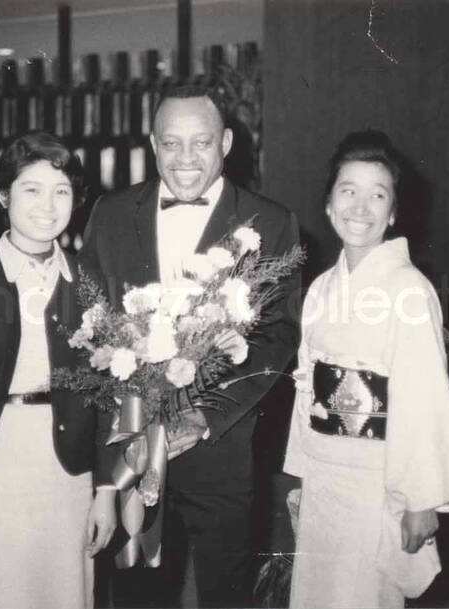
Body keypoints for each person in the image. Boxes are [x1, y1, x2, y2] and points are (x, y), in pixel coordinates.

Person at [77, 84, 301, 608]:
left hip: (220, 448)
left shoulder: (270, 222)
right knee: (137, 592)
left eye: (200, 143)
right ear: (153, 144)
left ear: (226, 142)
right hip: (131, 446)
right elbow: (90, 320)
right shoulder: (110, 214)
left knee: (226, 594)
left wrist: (204, 416)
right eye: (171, 143)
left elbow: (278, 334)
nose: (184, 159)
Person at [0, 131, 117, 609]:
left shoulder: (89, 282)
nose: (47, 205)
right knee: (3, 591)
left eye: (61, 191)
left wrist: (107, 490)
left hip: (70, 470)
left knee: (70, 592)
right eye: (31, 189)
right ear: (1, 195)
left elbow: (107, 396)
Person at [282, 130, 449, 608]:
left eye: (377, 195)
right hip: (325, 475)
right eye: (348, 191)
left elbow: (425, 397)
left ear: (393, 214)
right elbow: (307, 389)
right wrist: (302, 474)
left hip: (376, 478)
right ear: (328, 205)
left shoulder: (409, 289)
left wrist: (422, 500)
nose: (360, 208)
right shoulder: (322, 288)